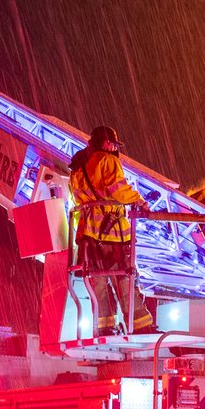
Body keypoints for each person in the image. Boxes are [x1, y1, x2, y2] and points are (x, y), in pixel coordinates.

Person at [68, 126, 154, 334]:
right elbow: (118, 189)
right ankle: (139, 326)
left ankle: (104, 328)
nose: (114, 148)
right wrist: (140, 202)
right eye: (113, 144)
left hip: (88, 235)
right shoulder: (107, 160)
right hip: (113, 234)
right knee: (124, 278)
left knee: (97, 283)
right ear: (104, 143)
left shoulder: (77, 169)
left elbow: (75, 198)